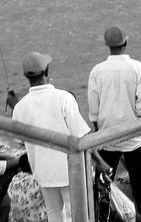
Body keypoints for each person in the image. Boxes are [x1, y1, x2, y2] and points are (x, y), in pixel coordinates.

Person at [88, 27, 141, 222]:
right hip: (135, 138)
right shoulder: (137, 68)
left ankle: (101, 218)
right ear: (126, 43)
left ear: (107, 46)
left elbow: (94, 114)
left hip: (107, 138)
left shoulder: (96, 71)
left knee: (103, 187)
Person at [12, 52, 92, 222]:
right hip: (70, 169)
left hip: (42, 171)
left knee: (53, 213)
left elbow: (19, 140)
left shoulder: (19, 107)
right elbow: (81, 134)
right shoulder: (63, 98)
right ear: (46, 71)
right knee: (75, 213)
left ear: (26, 76)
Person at [7, 154, 46, 222]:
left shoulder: (16, 178)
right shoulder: (38, 181)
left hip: (16, 218)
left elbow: (10, 192)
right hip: (36, 218)